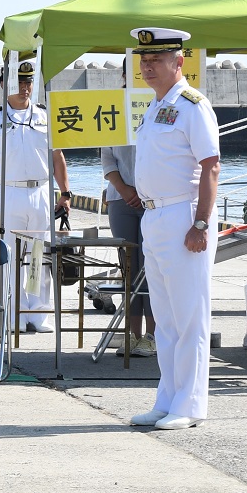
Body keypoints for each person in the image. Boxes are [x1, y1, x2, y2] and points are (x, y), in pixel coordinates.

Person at [125, 28, 220, 430]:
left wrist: (200, 222)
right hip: (154, 217)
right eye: (143, 60)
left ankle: (191, 402)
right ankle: (168, 397)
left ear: (179, 62)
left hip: (184, 216)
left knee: (189, 315)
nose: (147, 67)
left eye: (157, 60)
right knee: (165, 317)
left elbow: (211, 166)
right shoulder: (155, 106)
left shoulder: (193, 105)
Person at [0, 59, 71, 333]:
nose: (25, 87)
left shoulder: (44, 116)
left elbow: (57, 158)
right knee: (12, 254)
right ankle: (13, 312)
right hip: (10, 191)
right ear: (4, 84)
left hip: (41, 191)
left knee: (38, 254)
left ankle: (37, 312)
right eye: (19, 82)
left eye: (29, 82)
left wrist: (65, 193)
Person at [101, 138, 155, 355]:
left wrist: (145, 191)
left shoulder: (156, 115)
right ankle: (133, 334)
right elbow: (108, 159)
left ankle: (152, 336)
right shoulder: (113, 116)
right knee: (129, 270)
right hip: (119, 199)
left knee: (150, 270)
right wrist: (123, 189)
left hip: (154, 199)